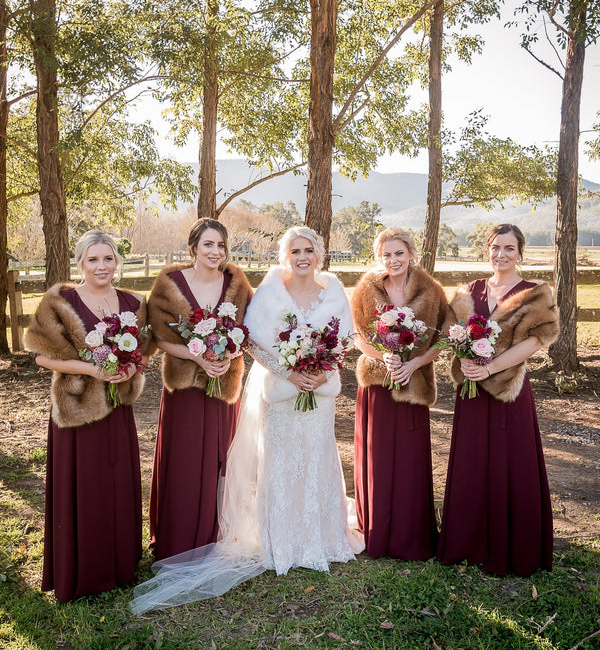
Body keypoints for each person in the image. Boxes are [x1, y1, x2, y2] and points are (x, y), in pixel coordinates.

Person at [131, 226, 362, 614]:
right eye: (295, 250)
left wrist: (321, 370)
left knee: (317, 456)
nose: (302, 257)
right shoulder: (270, 289)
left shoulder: (334, 289)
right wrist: (289, 372)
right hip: (282, 391)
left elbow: (346, 338)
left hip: (319, 392)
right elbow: (250, 339)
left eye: (309, 250)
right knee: (280, 462)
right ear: (284, 255)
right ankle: (280, 541)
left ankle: (321, 536)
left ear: (319, 254)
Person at [25, 230, 147, 602]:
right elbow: (41, 355)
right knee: (85, 487)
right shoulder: (60, 301)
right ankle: (83, 570)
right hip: (77, 412)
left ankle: (120, 566)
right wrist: (91, 370)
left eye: (108, 259)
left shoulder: (132, 302)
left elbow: (141, 352)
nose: (101, 266)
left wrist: (129, 370)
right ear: (80, 263)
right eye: (93, 259)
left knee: (116, 485)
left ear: (117, 262)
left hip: (118, 411)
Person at [437, 224, 559, 576]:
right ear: (486, 250)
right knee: (472, 463)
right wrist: (463, 359)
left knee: (511, 463)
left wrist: (490, 369)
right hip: (471, 392)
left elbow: (537, 341)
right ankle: (468, 543)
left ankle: (513, 546)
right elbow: (449, 333)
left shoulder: (535, 293)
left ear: (520, 252)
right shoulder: (469, 291)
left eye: (509, 248)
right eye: (495, 247)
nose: (501, 254)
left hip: (510, 390)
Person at [147, 217, 253, 560]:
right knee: (186, 458)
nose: (215, 251)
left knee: (221, 457)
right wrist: (198, 356)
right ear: (193, 247)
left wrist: (229, 352)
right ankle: (178, 535)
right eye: (208, 244)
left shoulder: (237, 283)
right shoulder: (169, 282)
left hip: (223, 384)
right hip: (184, 388)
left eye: (221, 245)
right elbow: (160, 337)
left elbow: (247, 330)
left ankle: (217, 533)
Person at [352, 227, 448, 560]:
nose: (393, 260)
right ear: (379, 257)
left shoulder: (431, 290)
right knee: (378, 457)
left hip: (414, 383)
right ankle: (376, 529)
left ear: (410, 253)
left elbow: (442, 339)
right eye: (386, 254)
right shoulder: (366, 289)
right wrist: (385, 356)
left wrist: (414, 363)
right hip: (378, 383)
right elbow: (357, 336)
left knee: (409, 460)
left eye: (399, 253)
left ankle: (411, 533)